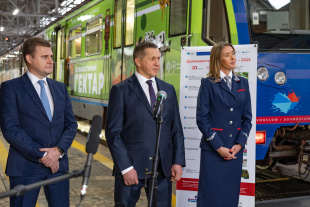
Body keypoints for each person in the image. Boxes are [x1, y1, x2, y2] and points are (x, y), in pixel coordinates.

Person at [105, 41, 185, 207]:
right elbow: (113, 133)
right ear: (138, 61)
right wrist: (125, 168)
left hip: (162, 169)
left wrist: (177, 161)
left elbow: (176, 129)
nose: (157, 63)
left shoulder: (168, 89)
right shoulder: (121, 90)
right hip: (132, 167)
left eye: (158, 58)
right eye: (152, 59)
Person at [0, 37, 77, 207]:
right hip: (24, 167)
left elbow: (71, 124)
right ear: (29, 58)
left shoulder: (60, 88)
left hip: (58, 166)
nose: (51, 61)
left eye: (51, 56)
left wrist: (58, 151)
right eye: (45, 57)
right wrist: (43, 155)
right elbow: (10, 129)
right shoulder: (11, 88)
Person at [196, 42, 252, 207]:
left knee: (230, 197)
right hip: (214, 151)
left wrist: (240, 144)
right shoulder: (208, 83)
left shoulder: (243, 82)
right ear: (217, 59)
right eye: (227, 55)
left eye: (233, 53)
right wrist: (218, 147)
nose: (233, 57)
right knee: (210, 198)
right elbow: (201, 118)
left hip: (234, 151)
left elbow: (247, 118)